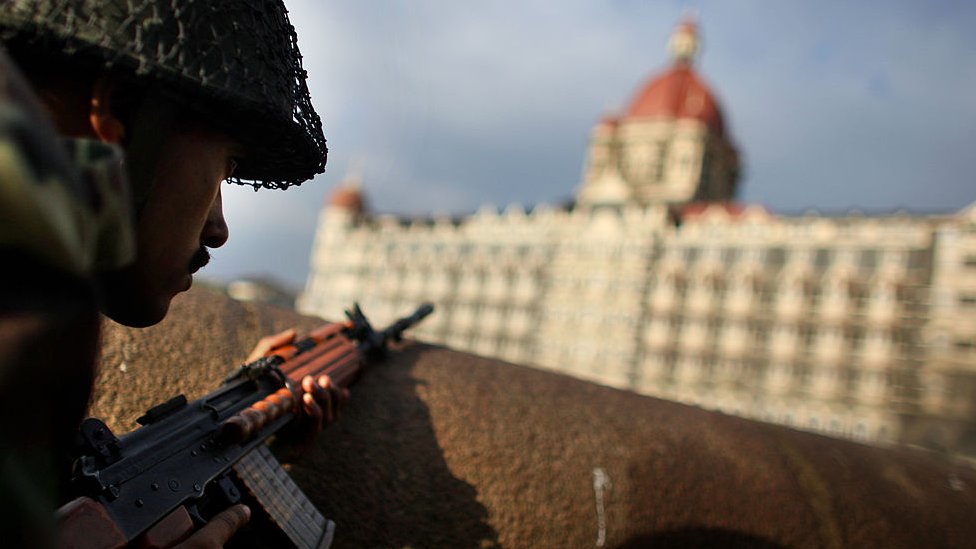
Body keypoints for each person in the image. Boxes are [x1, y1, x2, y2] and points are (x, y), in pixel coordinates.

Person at [0, 1, 344, 546]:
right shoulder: (34, 317)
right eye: (227, 165)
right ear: (118, 109)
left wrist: (238, 414)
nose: (218, 231)